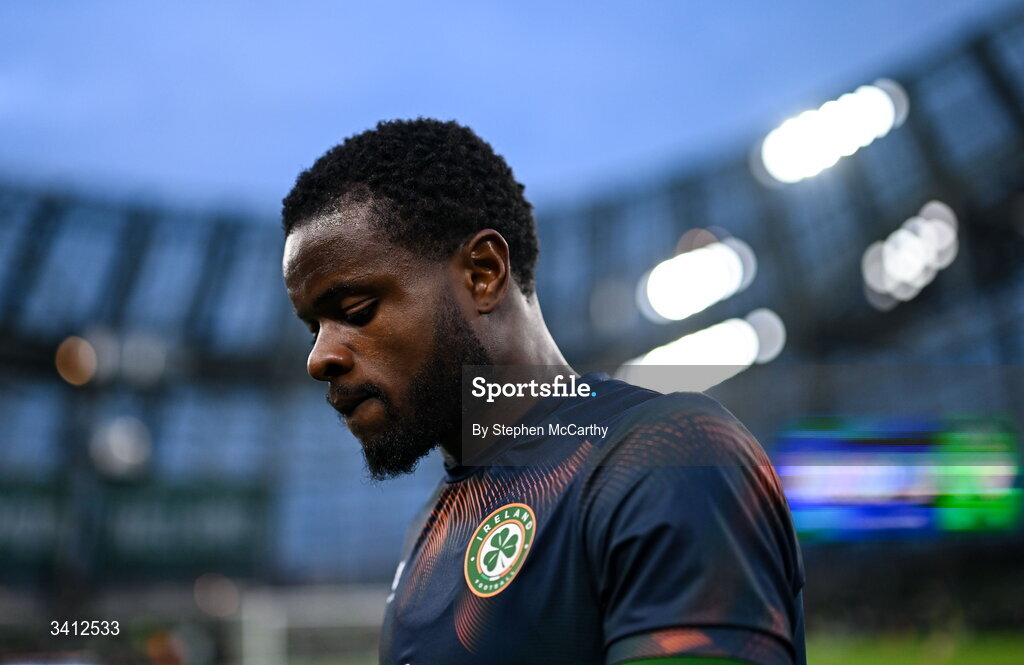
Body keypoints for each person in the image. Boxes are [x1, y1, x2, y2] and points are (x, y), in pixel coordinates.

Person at [281, 118, 806, 665]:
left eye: (356, 311)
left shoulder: (666, 456)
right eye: (312, 328)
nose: (320, 358)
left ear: (483, 274)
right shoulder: (431, 528)